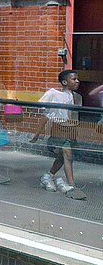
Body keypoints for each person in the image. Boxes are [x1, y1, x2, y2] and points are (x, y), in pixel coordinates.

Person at [31, 70, 87, 200]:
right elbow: (45, 115)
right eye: (74, 79)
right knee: (67, 154)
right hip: (58, 129)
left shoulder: (77, 97)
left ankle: (48, 175)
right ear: (64, 82)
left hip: (70, 130)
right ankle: (71, 184)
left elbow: (74, 116)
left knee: (63, 157)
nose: (77, 81)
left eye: (77, 79)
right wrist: (37, 133)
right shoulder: (53, 94)